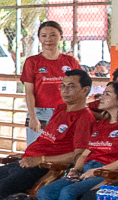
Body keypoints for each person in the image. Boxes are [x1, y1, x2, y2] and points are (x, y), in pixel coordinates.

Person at [0, 66, 93, 200]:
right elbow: (48, 140)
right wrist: (27, 155)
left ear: (85, 90)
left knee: (0, 188)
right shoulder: (60, 109)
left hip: (43, 166)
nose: (65, 90)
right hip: (26, 160)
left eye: (71, 86)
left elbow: (77, 155)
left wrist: (40, 159)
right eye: (63, 85)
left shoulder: (84, 117)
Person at [21, 18, 83, 146]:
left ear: (61, 37)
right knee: (36, 150)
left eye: (53, 35)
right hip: (40, 113)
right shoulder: (32, 62)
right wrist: (33, 116)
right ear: (39, 38)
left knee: (63, 149)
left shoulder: (71, 62)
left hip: (66, 111)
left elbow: (81, 88)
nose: (48, 39)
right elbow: (29, 91)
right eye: (44, 35)